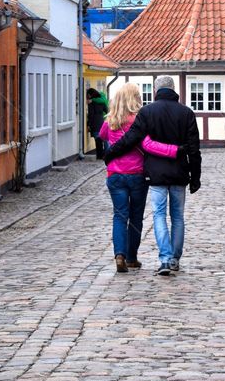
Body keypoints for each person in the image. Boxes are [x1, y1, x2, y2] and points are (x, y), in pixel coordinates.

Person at [104, 75, 201, 276]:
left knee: (157, 215)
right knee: (177, 217)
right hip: (178, 174)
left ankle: (163, 258)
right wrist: (195, 176)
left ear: (156, 91)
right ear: (174, 90)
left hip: (154, 175)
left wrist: (111, 153)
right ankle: (173, 259)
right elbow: (194, 149)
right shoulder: (187, 113)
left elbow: (132, 138)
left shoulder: (147, 112)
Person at [86, 88, 108, 158]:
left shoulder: (91, 103)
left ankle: (99, 156)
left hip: (95, 124)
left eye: (88, 94)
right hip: (102, 122)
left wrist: (88, 124)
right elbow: (107, 110)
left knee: (98, 141)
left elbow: (91, 115)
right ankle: (106, 154)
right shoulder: (101, 102)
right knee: (104, 140)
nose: (87, 96)